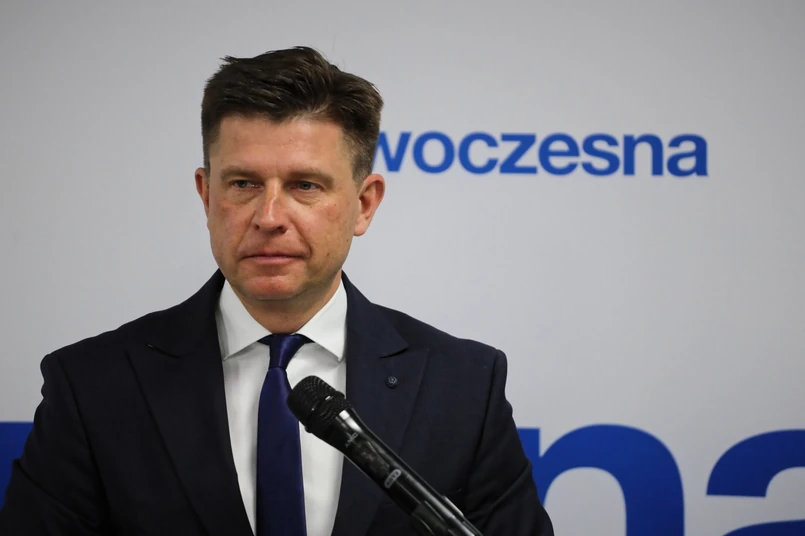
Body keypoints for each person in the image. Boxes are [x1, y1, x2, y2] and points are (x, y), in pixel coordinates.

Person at [0, 46, 553, 536]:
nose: (268, 217)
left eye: (304, 186)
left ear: (364, 204)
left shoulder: (464, 385)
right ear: (206, 195)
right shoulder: (93, 385)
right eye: (243, 184)